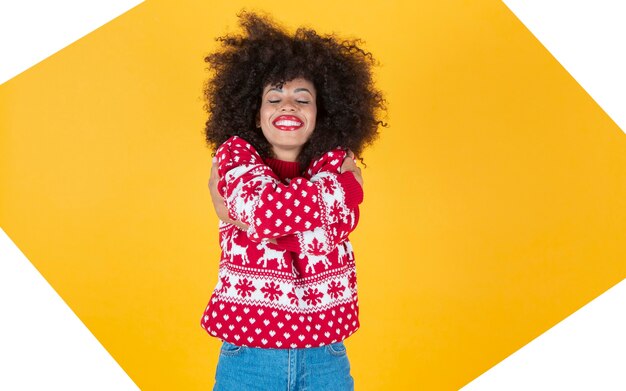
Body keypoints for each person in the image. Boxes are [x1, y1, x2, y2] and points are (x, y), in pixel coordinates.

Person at [200, 11, 386, 391]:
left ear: (322, 114)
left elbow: (333, 224)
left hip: (325, 352)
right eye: (274, 98)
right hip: (249, 353)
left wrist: (256, 223)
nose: (288, 105)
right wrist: (345, 191)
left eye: (303, 98)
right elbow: (268, 213)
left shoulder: (335, 158)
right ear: (255, 114)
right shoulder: (234, 156)